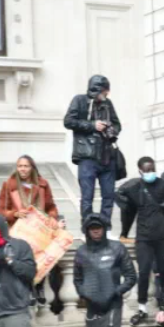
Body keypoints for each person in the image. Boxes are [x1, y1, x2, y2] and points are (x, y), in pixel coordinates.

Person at [118, 156, 164, 325]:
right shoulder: (134, 187)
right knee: (144, 272)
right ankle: (142, 308)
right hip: (144, 237)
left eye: (152, 169)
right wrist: (124, 232)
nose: (150, 172)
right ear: (140, 170)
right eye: (146, 170)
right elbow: (128, 211)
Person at [0, 155, 62, 307]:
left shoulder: (42, 184)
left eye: (26, 166)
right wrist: (14, 214)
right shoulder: (9, 185)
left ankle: (39, 288)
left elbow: (51, 206)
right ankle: (29, 289)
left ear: (32, 167)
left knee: (42, 257)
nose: (22, 169)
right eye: (20, 166)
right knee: (25, 259)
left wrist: (52, 216)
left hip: (39, 228)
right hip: (20, 230)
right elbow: (1, 211)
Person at [64, 75, 121, 225]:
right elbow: (68, 121)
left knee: (109, 195)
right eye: (105, 90)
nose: (107, 94)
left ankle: (105, 227)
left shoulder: (108, 104)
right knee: (87, 196)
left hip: (107, 155)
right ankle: (88, 228)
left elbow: (117, 124)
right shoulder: (80, 100)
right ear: (98, 89)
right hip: (87, 156)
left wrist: (111, 130)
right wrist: (92, 125)